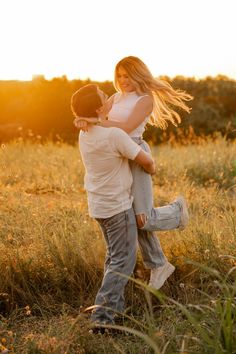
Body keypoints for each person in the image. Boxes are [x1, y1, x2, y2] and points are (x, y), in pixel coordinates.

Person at [74, 56, 192, 288]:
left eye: (127, 75)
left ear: (138, 74)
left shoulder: (145, 100)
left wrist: (93, 120)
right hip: (118, 155)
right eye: (119, 76)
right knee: (130, 216)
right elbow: (99, 117)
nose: (123, 80)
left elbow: (126, 128)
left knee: (142, 217)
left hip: (136, 151)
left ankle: (177, 213)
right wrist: (88, 121)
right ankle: (158, 264)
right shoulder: (116, 97)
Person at [71, 83, 156, 329]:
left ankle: (114, 311)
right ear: (99, 108)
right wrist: (152, 168)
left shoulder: (84, 132)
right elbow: (146, 160)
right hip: (118, 208)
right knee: (123, 262)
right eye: (104, 97)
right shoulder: (114, 135)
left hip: (98, 205)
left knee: (114, 258)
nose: (110, 98)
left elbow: (93, 123)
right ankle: (102, 319)